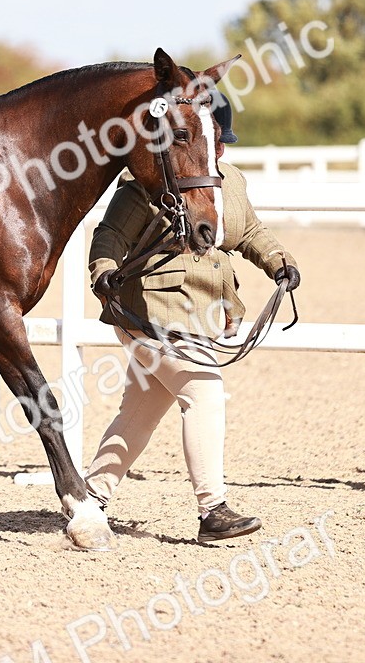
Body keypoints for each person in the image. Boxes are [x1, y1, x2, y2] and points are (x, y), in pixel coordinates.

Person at [86, 95, 301, 542]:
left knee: (139, 414)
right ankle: (212, 511)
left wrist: (278, 260)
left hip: (206, 313)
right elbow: (109, 235)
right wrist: (103, 271)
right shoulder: (148, 181)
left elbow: (251, 232)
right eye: (209, 143)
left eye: (219, 144)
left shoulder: (232, 183)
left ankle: (88, 499)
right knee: (204, 392)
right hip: (151, 312)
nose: (216, 153)